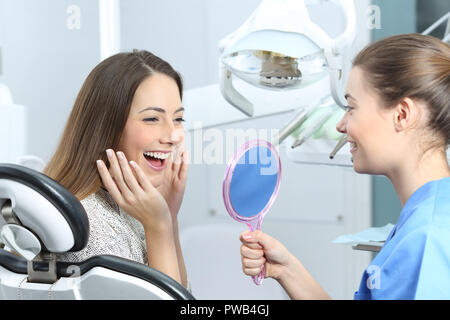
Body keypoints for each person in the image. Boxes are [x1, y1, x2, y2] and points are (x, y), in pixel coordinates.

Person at [239, 34, 450, 299]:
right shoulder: (428, 216)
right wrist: (287, 270)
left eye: (351, 107)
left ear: (402, 115)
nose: (341, 125)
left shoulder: (428, 238)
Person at [44, 50, 189, 288]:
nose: (173, 136)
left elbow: (185, 296)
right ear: (106, 127)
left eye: (178, 119)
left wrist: (169, 217)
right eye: (152, 119)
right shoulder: (92, 227)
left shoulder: (133, 207)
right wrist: (160, 227)